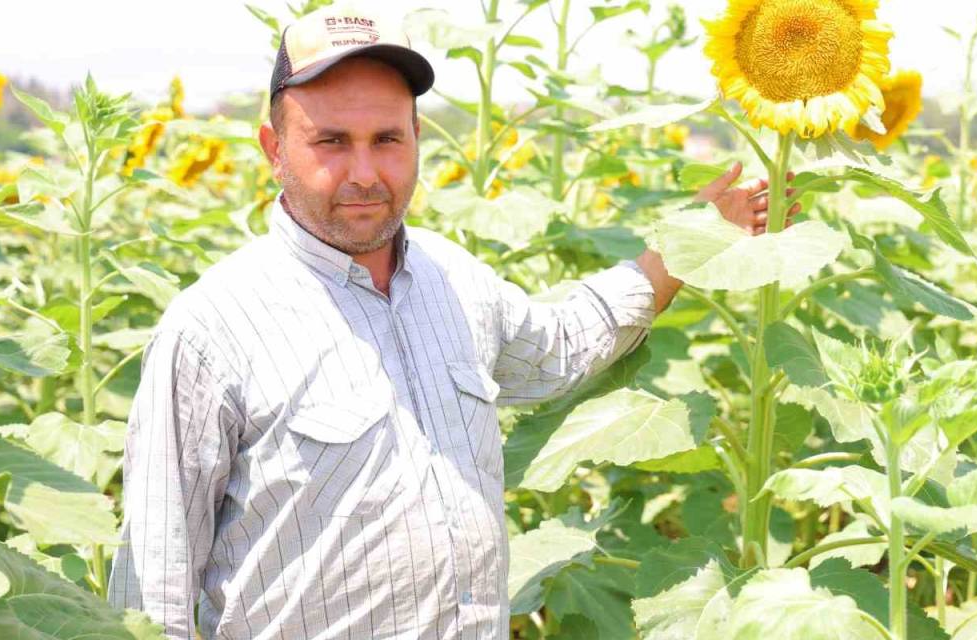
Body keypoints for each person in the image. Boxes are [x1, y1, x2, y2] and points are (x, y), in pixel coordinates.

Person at [107, 3, 795, 639]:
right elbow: (152, 589)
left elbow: (559, 348)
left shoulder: (451, 278)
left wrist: (684, 248)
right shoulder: (212, 329)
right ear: (274, 149)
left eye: (388, 139)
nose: (366, 173)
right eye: (331, 142)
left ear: (416, 139)